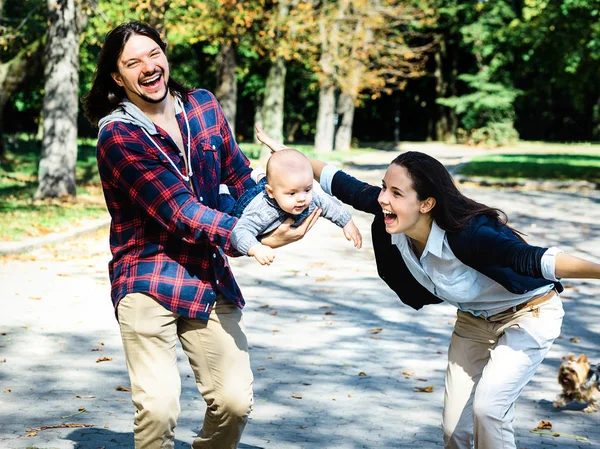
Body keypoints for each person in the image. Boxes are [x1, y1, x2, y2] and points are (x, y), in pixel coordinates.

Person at [256, 126, 600, 449]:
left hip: (529, 313)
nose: (382, 199)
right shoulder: (392, 217)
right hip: (474, 322)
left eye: (396, 192)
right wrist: (291, 158)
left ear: (427, 203)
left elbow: (535, 259)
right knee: (455, 430)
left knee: (489, 409)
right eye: (384, 188)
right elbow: (340, 182)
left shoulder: (469, 235)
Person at [81, 21, 320, 449]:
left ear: (165, 55)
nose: (148, 67)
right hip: (147, 276)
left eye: (153, 54)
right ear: (118, 78)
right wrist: (250, 241)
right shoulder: (118, 134)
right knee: (158, 409)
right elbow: (180, 212)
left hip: (207, 273)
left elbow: (238, 178)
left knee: (233, 403)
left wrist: (279, 207)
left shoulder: (203, 106)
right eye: (132, 62)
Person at [229, 148, 362, 265]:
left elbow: (329, 205)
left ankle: (262, 176)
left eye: (307, 189)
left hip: (276, 190)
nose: (302, 198)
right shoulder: (260, 211)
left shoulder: (309, 197)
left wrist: (347, 222)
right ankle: (227, 190)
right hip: (253, 198)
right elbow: (238, 232)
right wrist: (255, 248)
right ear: (271, 192)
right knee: (230, 207)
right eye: (292, 193)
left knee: (275, 182)